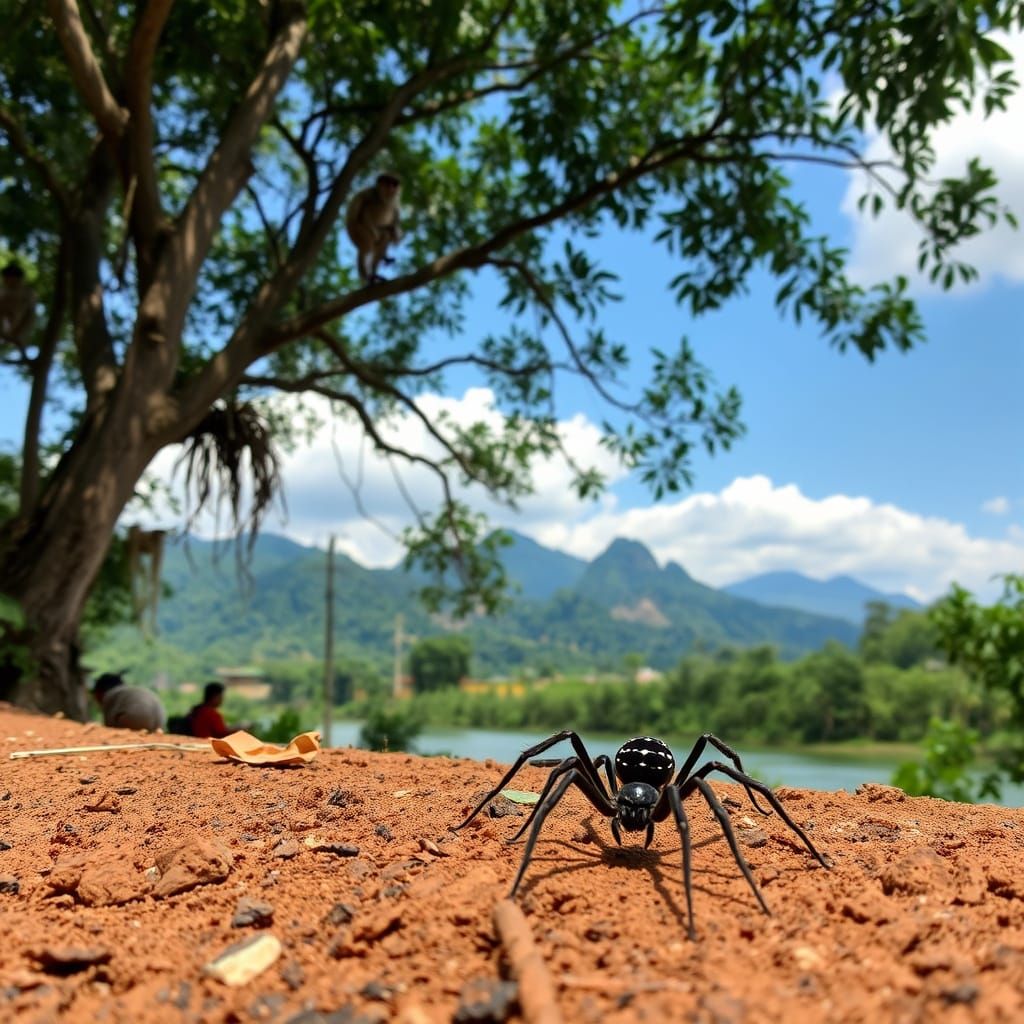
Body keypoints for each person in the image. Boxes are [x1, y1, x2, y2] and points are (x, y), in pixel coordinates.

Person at [92, 672, 166, 732]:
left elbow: (109, 725)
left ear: (99, 693)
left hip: (136, 720)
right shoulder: (129, 690)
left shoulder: (109, 695)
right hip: (160, 721)